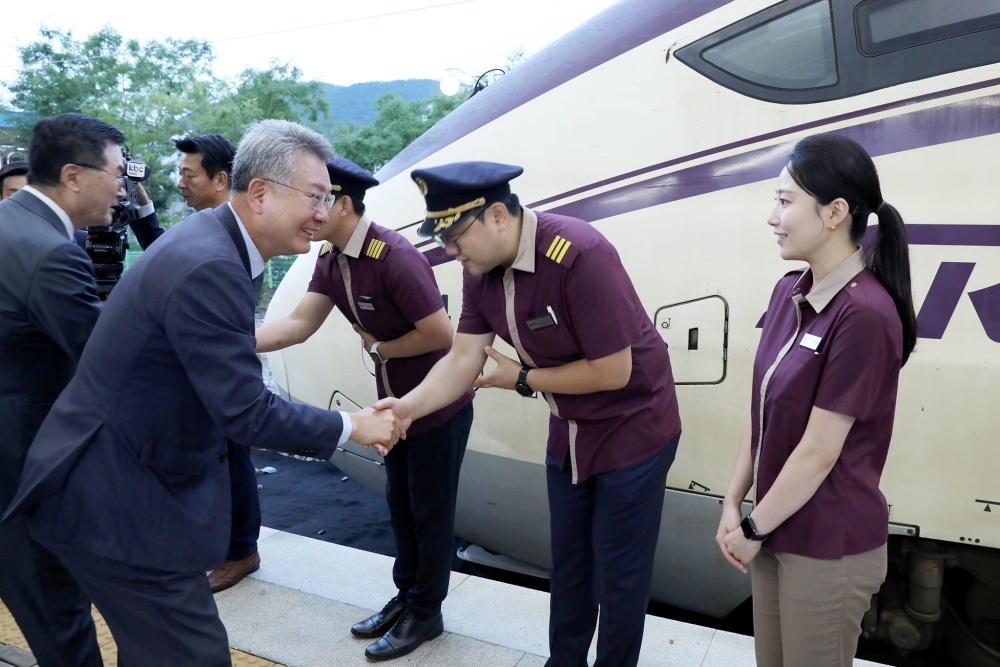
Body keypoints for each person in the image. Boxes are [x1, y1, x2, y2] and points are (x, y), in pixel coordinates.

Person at [3, 119, 403, 667]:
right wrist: (352, 426)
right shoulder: (211, 263)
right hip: (116, 502)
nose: (323, 211)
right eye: (315, 195)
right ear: (260, 193)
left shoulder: (217, 244)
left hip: (123, 487)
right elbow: (247, 411)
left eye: (328, 197)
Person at [374, 162, 682, 667]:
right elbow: (463, 357)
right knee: (569, 561)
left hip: (634, 427)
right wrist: (406, 408)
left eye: (455, 236)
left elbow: (612, 371)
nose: (450, 251)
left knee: (619, 573)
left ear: (498, 215)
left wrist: (521, 378)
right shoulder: (481, 270)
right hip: (572, 427)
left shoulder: (579, 253)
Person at [255, 157, 475, 661]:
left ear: (344, 204)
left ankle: (428, 612)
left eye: (317, 201)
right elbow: (297, 324)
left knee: (430, 510)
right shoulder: (331, 260)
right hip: (392, 408)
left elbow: (440, 334)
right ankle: (407, 595)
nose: (309, 214)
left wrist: (380, 349)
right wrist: (233, 340)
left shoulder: (392, 255)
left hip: (435, 407)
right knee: (401, 504)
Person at [716, 133, 917, 667]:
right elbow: (761, 412)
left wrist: (754, 526)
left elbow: (820, 450)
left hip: (830, 544)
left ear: (834, 213)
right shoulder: (789, 292)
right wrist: (733, 502)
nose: (772, 216)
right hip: (775, 528)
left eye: (785, 201)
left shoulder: (866, 316)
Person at [0, 113, 126, 667]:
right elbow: (107, 361)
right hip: (19, 463)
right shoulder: (51, 253)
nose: (124, 186)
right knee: (60, 616)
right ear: (74, 175)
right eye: (117, 172)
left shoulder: (10, 222)